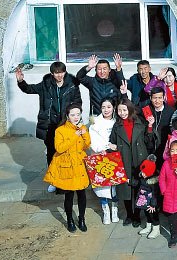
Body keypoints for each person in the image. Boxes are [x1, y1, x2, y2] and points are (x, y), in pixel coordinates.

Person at [16, 62, 82, 167]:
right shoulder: (45, 85)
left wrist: (74, 117)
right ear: (52, 74)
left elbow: (77, 103)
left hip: (65, 123)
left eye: (62, 72)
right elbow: (29, 89)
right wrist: (21, 81)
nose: (60, 75)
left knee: (67, 149)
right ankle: (52, 173)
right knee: (51, 150)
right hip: (50, 123)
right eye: (56, 73)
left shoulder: (72, 85)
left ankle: (65, 173)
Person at [43, 102, 91, 233]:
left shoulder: (82, 128)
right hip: (67, 165)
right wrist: (74, 136)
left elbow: (86, 145)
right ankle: (70, 220)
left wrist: (84, 133)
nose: (76, 117)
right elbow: (59, 148)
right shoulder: (60, 130)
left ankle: (81, 219)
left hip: (80, 164)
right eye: (73, 115)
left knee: (82, 194)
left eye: (78, 114)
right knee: (69, 195)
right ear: (67, 116)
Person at [109, 100, 152, 228]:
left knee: (139, 189)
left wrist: (150, 127)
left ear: (130, 110)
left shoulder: (140, 122)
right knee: (125, 189)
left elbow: (148, 141)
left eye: (125, 110)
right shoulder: (117, 126)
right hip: (124, 159)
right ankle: (129, 214)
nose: (122, 113)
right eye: (119, 110)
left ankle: (137, 215)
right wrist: (112, 147)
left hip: (139, 159)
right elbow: (112, 142)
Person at [88, 98, 118, 225]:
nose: (106, 110)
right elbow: (92, 140)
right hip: (100, 155)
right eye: (103, 107)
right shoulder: (95, 122)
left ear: (113, 108)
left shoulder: (116, 121)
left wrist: (114, 147)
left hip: (114, 157)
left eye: (109, 107)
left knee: (115, 184)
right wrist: (103, 148)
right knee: (102, 186)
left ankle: (115, 210)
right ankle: (106, 211)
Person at [135, 155, 161, 239]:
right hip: (144, 199)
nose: (143, 174)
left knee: (153, 214)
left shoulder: (153, 182)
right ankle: (148, 226)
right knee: (147, 213)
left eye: (145, 173)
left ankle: (156, 228)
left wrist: (153, 205)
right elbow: (137, 183)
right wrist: (129, 181)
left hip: (152, 202)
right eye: (142, 172)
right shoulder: (143, 177)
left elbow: (155, 194)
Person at [144, 87, 174, 157]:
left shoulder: (171, 111)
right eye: (155, 98)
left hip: (164, 147)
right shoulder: (146, 110)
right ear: (151, 98)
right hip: (149, 147)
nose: (157, 101)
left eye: (160, 98)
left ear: (164, 98)